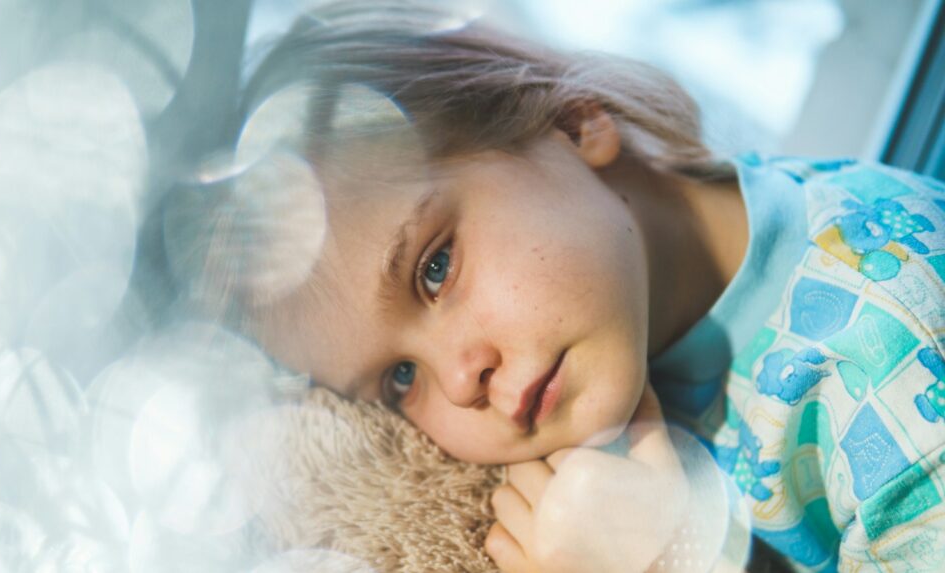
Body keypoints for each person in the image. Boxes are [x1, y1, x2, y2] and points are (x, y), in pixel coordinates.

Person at [214, 1, 945, 571]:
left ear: (570, 121)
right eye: (400, 377)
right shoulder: (647, 274)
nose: (462, 378)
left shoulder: (896, 371)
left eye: (435, 268)